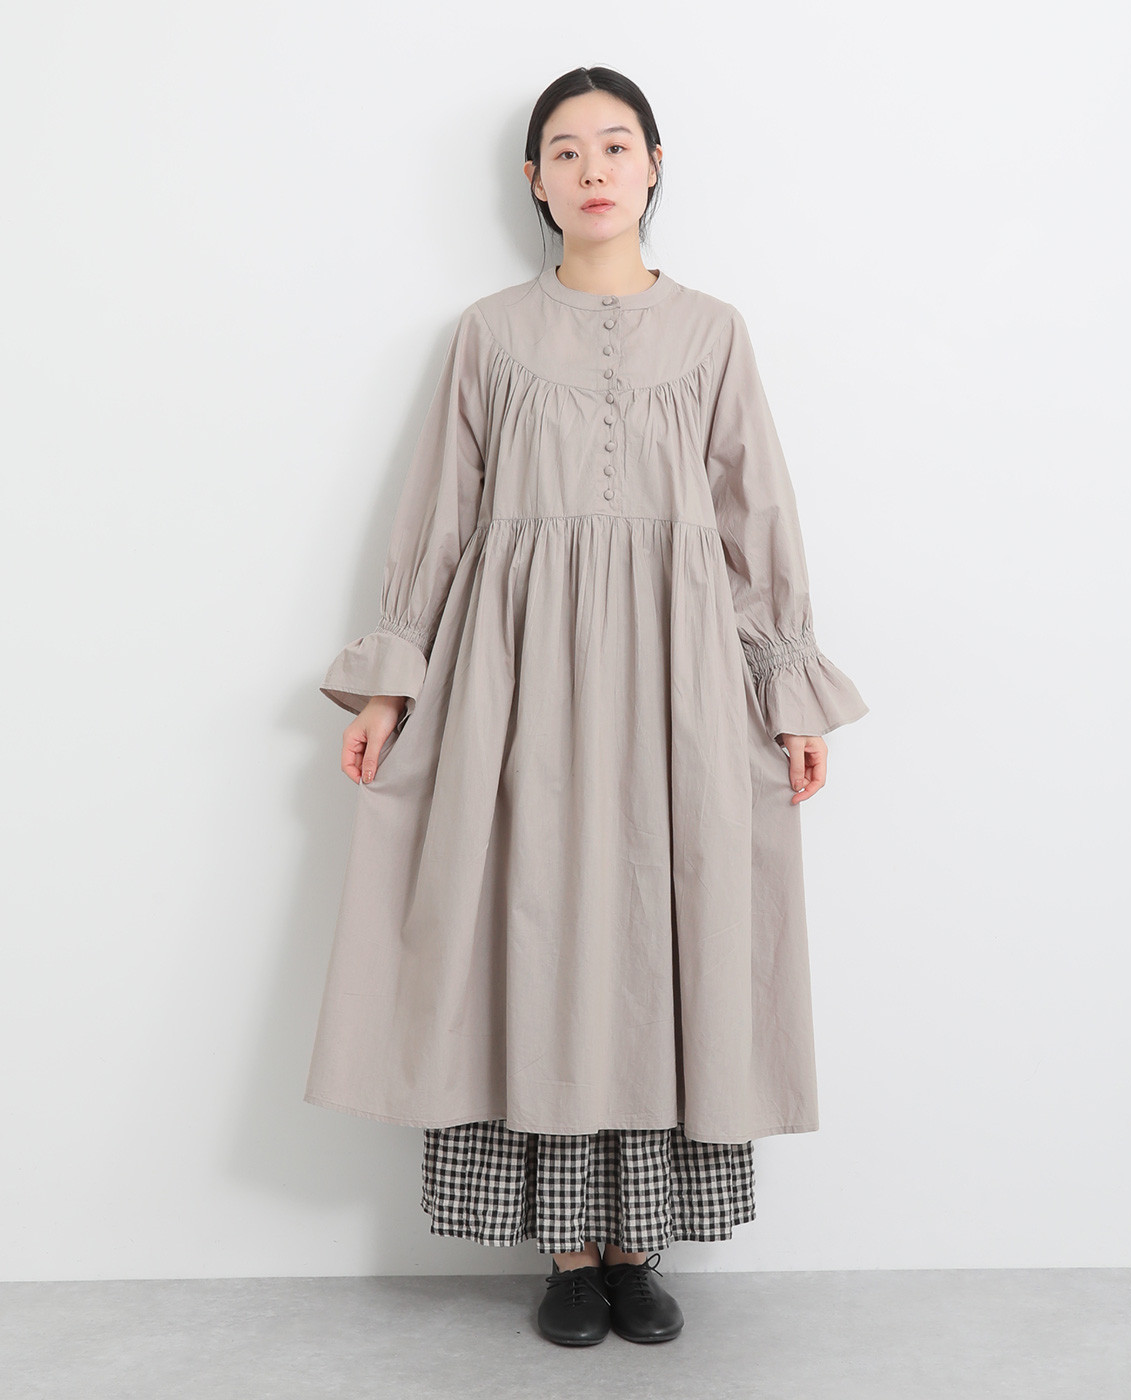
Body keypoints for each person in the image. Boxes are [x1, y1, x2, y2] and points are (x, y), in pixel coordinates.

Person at [304, 66, 869, 1347]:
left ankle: (638, 1248)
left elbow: (755, 514)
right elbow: (440, 513)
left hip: (678, 676)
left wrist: (788, 690)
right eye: (565, 150)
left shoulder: (713, 331)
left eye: (616, 145)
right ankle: (566, 1252)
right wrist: (390, 686)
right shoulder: (489, 333)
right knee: (537, 922)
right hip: (515, 681)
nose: (593, 168)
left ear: (656, 166)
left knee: (668, 929)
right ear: (534, 180)